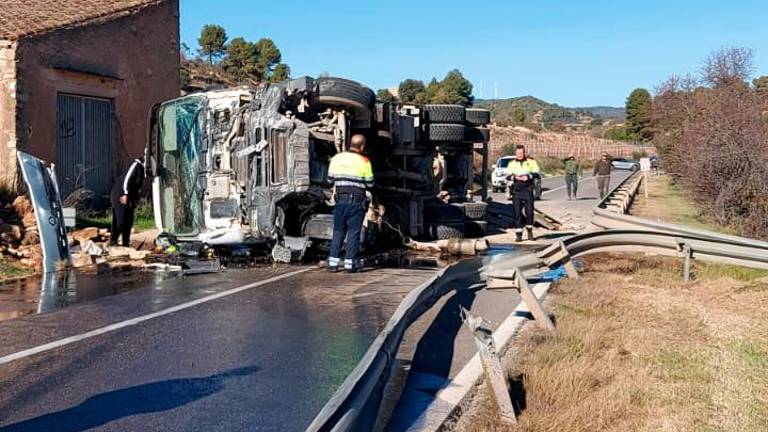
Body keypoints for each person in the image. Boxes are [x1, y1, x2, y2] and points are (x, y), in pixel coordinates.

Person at [327, 134, 374, 273]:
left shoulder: (337, 158)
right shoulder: (364, 161)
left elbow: (329, 180)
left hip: (340, 201)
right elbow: (370, 183)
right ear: (362, 146)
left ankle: (333, 264)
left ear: (349, 144)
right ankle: (349, 265)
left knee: (338, 232)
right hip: (356, 203)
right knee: (353, 233)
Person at [506, 145, 540, 242]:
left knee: (529, 212)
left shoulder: (531, 162)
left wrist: (528, 177)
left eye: (521, 153)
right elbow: (507, 176)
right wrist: (515, 177)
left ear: (524, 153)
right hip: (516, 190)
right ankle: (519, 235)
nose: (519, 155)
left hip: (527, 190)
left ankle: (529, 231)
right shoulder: (511, 163)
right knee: (517, 213)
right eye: (518, 153)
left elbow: (537, 174)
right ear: (515, 154)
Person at [110, 158, 145, 247]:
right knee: (120, 220)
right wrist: (126, 193)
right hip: (121, 195)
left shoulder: (142, 169)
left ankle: (125, 243)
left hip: (129, 197)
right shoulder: (136, 165)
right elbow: (127, 180)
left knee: (128, 221)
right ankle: (113, 242)